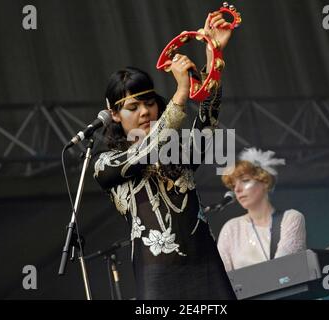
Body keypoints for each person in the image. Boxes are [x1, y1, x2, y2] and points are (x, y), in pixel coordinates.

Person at [93, 12, 236, 299]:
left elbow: (207, 125)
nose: (145, 112)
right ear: (114, 115)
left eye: (149, 103)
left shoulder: (177, 149)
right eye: (133, 107)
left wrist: (214, 55)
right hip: (158, 274)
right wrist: (181, 91)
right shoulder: (106, 164)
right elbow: (146, 152)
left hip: (206, 266)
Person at [217, 148, 306, 272]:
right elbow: (222, 278)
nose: (237, 190)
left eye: (245, 181)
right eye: (233, 185)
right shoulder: (231, 228)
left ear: (264, 182)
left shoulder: (290, 218)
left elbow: (284, 268)